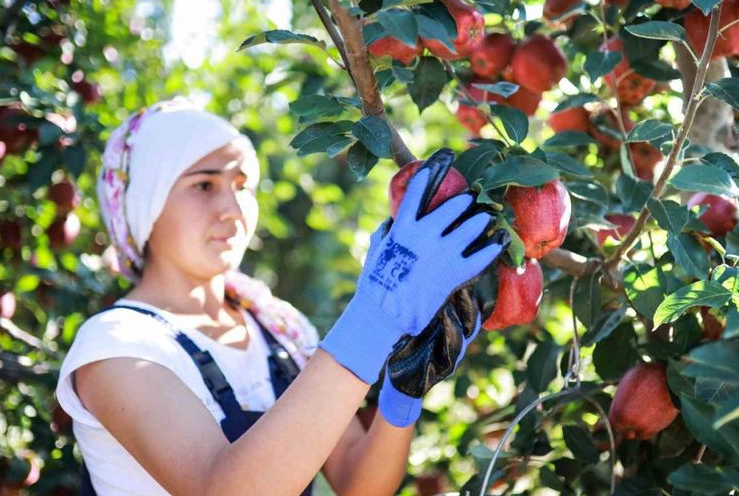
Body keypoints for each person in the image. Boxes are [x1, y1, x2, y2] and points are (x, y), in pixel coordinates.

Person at [54, 98, 506, 495]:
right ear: (145, 203)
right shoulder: (115, 345)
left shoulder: (278, 330)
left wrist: (402, 393)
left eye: (242, 185)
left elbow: (356, 482)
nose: (232, 210)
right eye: (204, 184)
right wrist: (373, 316)